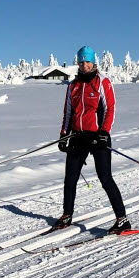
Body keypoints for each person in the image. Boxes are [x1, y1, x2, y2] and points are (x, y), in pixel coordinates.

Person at [54, 45, 130, 234]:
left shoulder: (102, 82)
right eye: (81, 61)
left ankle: (122, 220)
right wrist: (64, 134)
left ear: (93, 62)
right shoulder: (73, 85)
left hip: (97, 137)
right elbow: (68, 112)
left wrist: (104, 132)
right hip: (78, 137)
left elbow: (110, 108)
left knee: (105, 178)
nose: (84, 65)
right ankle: (67, 214)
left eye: (87, 61)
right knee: (70, 178)